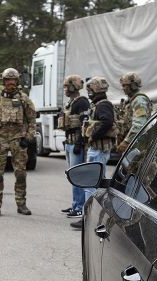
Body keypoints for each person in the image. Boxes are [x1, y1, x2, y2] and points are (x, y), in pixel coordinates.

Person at [0, 68, 36, 217]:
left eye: (13, 81)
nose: (10, 83)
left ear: (17, 81)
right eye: (8, 80)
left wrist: (28, 138)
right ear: (3, 81)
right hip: (0, 140)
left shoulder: (24, 99)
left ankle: (21, 204)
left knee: (20, 174)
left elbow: (32, 120)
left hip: (18, 141)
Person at [70, 76, 117, 230]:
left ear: (96, 89)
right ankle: (92, 217)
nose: (89, 92)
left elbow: (107, 122)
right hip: (97, 149)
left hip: (98, 150)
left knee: (91, 184)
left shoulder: (103, 105)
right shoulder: (99, 104)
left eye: (90, 89)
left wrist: (93, 135)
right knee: (96, 184)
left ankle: (88, 219)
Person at [57, 74, 89, 219]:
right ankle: (76, 204)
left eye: (66, 86)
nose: (64, 89)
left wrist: (79, 142)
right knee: (72, 175)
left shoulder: (81, 102)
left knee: (77, 175)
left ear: (72, 86)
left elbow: (84, 124)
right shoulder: (71, 103)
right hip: (69, 143)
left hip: (76, 143)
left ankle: (80, 207)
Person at [116, 72, 152, 154]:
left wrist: (126, 142)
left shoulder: (139, 100)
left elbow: (139, 124)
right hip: (133, 144)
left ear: (133, 85)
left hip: (138, 145)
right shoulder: (131, 100)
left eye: (125, 85)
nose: (123, 88)